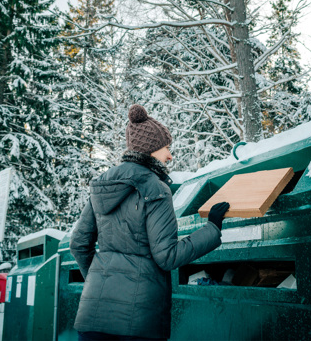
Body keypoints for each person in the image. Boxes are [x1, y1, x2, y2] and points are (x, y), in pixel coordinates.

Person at [70, 104, 230, 341]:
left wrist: (102, 277)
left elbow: (78, 244)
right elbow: (167, 256)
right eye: (166, 148)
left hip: (94, 317)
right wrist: (212, 228)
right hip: (138, 321)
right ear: (151, 150)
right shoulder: (155, 188)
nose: (169, 155)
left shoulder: (102, 185)